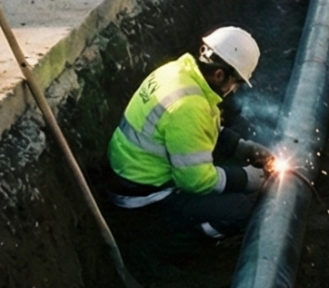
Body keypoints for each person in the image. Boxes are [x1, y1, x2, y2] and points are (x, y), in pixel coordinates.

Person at [105, 27, 274, 251]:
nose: (234, 90)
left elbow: (198, 129)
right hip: (143, 200)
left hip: (129, 176)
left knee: (223, 172)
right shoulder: (189, 106)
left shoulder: (179, 72)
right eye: (236, 82)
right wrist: (246, 179)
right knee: (239, 209)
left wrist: (239, 147)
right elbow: (195, 181)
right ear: (219, 74)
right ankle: (182, 242)